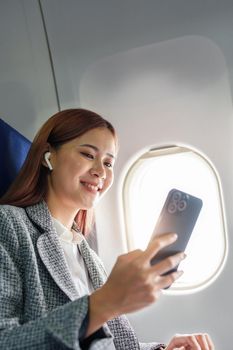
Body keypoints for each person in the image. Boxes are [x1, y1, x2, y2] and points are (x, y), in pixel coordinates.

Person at [0, 108, 214, 349]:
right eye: (88, 154)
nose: (101, 171)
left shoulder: (87, 254)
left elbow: (110, 344)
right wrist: (104, 303)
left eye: (109, 162)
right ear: (48, 156)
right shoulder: (8, 224)